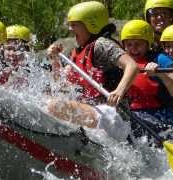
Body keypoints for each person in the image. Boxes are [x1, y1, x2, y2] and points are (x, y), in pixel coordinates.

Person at [47, 1, 139, 142]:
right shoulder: (77, 52)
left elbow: (132, 66)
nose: (70, 29)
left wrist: (119, 91)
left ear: (91, 24)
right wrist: (54, 59)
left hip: (112, 116)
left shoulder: (102, 44)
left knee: (55, 105)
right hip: (94, 114)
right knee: (46, 99)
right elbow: (60, 84)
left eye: (75, 25)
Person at [120, 20, 173, 139]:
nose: (133, 49)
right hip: (134, 116)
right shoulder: (121, 62)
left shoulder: (161, 59)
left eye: (138, 44)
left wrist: (161, 74)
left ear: (148, 44)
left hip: (162, 117)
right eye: (129, 44)